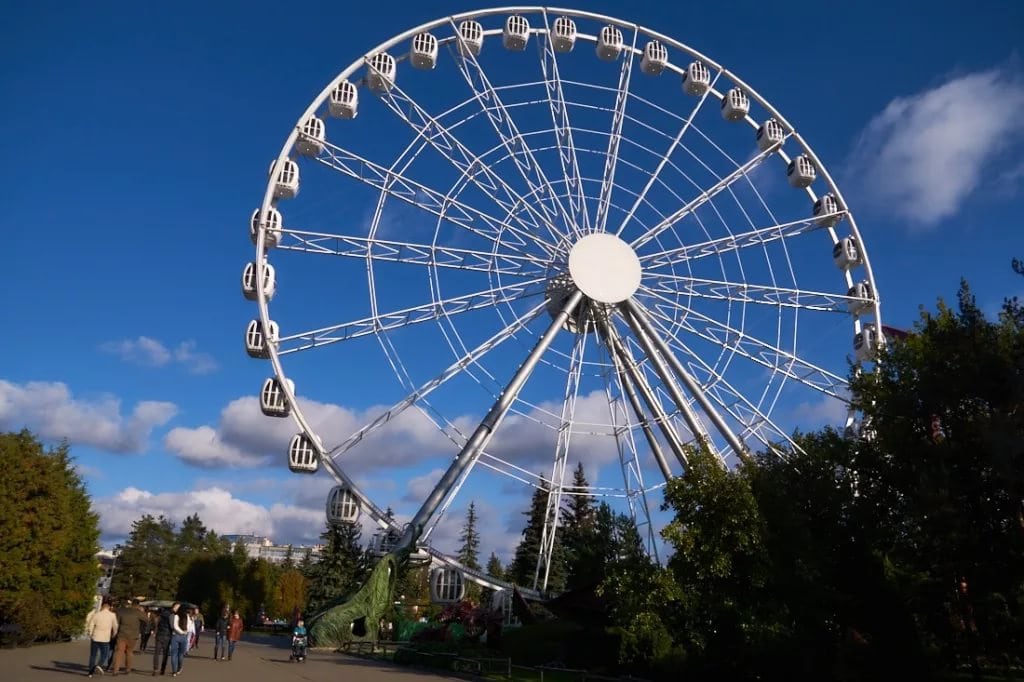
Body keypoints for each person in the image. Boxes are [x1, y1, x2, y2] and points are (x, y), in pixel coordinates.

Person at [111, 598, 147, 676]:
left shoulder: (123, 611)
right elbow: (146, 619)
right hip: (133, 635)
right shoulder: (138, 612)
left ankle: (115, 670)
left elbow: (117, 621)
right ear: (138, 605)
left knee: (119, 652)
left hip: (122, 634)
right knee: (129, 652)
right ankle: (128, 669)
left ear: (131, 604)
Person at [86, 600, 118, 678]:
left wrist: (90, 634)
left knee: (93, 655)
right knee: (105, 653)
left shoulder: (96, 614)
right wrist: (114, 634)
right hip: (105, 638)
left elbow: (91, 625)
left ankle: (90, 672)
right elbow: (115, 626)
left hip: (95, 637)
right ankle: (99, 665)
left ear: (102, 606)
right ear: (109, 607)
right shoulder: (112, 615)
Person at [152, 603, 176, 676]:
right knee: (165, 654)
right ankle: (163, 669)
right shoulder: (171, 616)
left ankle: (155, 669)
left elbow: (156, 624)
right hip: (167, 635)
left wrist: (155, 632)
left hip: (159, 635)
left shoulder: (160, 616)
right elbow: (172, 626)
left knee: (157, 652)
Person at [169, 607, 189, 676]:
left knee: (174, 654)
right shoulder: (187, 617)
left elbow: (175, 626)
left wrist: (180, 632)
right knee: (181, 654)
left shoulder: (176, 616)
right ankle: (179, 668)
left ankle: (174, 671)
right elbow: (189, 626)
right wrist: (184, 632)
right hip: (184, 637)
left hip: (175, 636)